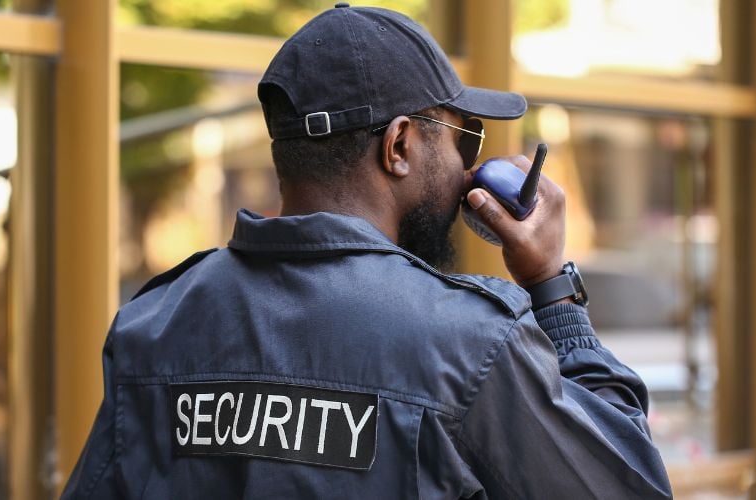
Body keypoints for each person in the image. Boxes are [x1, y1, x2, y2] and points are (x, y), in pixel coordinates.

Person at [62, 4, 672, 498]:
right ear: (400, 145)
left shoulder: (155, 323)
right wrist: (551, 286)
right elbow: (630, 485)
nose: (469, 167)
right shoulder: (468, 346)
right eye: (465, 136)